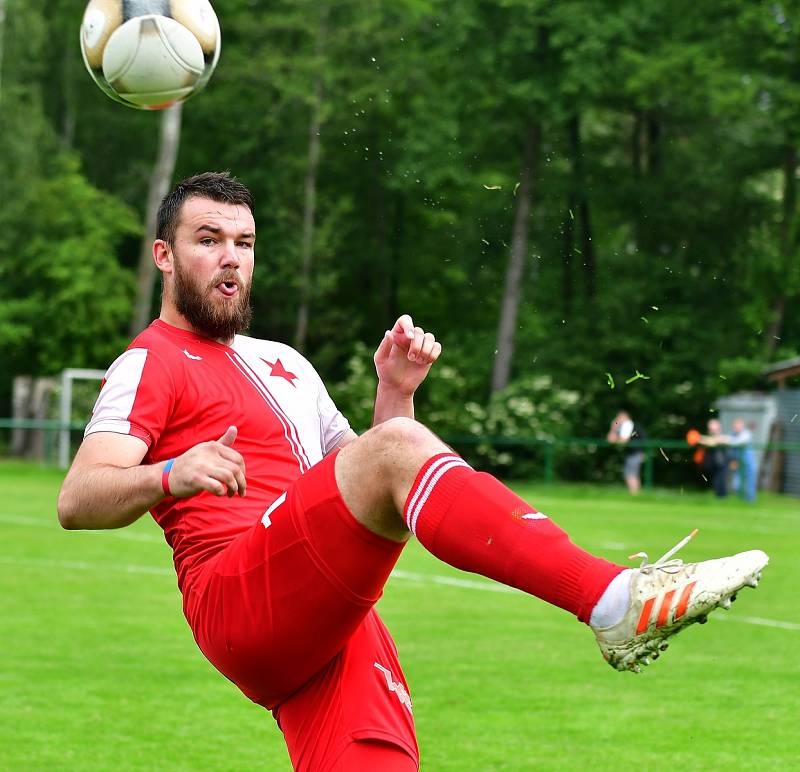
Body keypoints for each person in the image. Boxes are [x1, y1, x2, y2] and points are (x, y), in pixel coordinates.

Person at [57, 172, 769, 771]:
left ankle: (615, 602)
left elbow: (359, 487)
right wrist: (170, 472)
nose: (230, 258)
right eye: (207, 241)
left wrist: (395, 393)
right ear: (164, 255)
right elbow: (78, 498)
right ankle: (613, 600)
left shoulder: (284, 363)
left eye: (243, 243)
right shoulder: (149, 361)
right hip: (242, 595)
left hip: (322, 611)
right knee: (395, 449)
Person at [607, 410, 647, 495]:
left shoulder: (627, 425)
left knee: (630, 474)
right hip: (635, 453)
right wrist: (614, 428)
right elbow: (610, 439)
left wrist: (614, 429)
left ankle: (634, 494)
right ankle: (637, 494)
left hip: (635, 453)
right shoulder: (623, 426)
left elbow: (622, 441)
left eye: (619, 417)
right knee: (633, 473)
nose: (617, 419)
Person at [727, 418, 757, 502]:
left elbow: (737, 442)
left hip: (748, 463)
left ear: (742, 426)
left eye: (739, 426)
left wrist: (725, 440)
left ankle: (750, 502)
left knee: (750, 483)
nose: (737, 428)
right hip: (738, 462)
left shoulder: (746, 434)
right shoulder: (732, 434)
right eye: (735, 426)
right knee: (736, 484)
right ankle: (740, 500)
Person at [699, 418, 730, 498]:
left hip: (722, 462)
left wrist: (701, 439)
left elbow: (716, 441)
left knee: (722, 481)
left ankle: (723, 498)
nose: (712, 430)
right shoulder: (709, 437)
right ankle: (719, 498)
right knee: (716, 481)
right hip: (714, 463)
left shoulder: (722, 437)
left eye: (713, 428)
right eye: (711, 428)